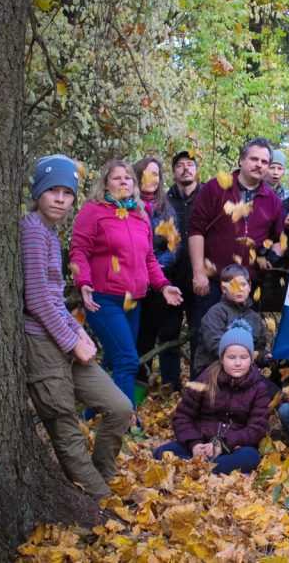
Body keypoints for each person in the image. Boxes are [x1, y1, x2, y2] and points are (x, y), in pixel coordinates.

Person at [22, 155, 132, 499]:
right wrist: (73, 342)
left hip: (63, 337)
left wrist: (78, 330)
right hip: (41, 344)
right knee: (65, 426)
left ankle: (104, 477)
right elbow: (37, 300)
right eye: (52, 190)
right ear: (38, 192)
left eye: (67, 193)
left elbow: (52, 296)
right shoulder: (31, 230)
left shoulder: (49, 234)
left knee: (120, 407)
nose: (60, 198)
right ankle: (100, 501)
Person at [70, 159, 183, 414]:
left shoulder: (140, 214)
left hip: (133, 301)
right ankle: (125, 422)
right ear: (106, 183)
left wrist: (163, 286)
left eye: (128, 178)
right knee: (127, 360)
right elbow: (79, 251)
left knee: (114, 360)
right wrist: (83, 283)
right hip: (103, 298)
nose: (123, 181)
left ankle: (91, 417)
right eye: (117, 178)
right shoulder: (94, 210)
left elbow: (149, 258)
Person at [154, 319, 274, 475]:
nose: (237, 363)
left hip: (232, 447)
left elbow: (256, 429)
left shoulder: (258, 387)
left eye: (243, 358)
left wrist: (222, 444)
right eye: (231, 357)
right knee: (162, 452)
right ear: (222, 358)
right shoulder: (206, 379)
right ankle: (205, 467)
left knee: (250, 457)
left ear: (251, 359)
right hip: (200, 442)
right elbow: (182, 416)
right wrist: (195, 444)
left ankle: (202, 468)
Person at [188, 138, 285, 318]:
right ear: (241, 160)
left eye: (264, 162)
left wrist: (274, 254)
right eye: (254, 159)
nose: (259, 165)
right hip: (214, 283)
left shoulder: (272, 200)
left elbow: (279, 238)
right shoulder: (216, 187)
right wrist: (198, 273)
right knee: (207, 339)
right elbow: (196, 229)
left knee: (243, 340)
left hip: (248, 286)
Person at [156, 150, 204, 390]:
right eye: (180, 165)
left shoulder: (207, 196)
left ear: (196, 169)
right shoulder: (164, 201)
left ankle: (197, 385)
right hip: (169, 280)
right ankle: (169, 386)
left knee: (200, 334)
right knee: (168, 335)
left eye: (190, 164)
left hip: (200, 278)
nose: (186, 168)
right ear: (173, 172)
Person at [132, 157, 178, 386]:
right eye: (146, 173)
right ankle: (109, 398)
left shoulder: (166, 209)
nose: (151, 179)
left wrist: (158, 265)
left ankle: (137, 394)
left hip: (157, 285)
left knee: (147, 341)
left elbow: (174, 245)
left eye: (156, 174)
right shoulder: (125, 205)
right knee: (126, 339)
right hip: (128, 283)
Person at [192, 264, 268, 378]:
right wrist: (242, 357)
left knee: (272, 392)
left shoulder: (255, 318)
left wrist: (266, 357)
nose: (239, 289)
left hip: (244, 370)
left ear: (250, 286)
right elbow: (215, 345)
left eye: (243, 284)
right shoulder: (215, 313)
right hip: (212, 369)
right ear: (223, 288)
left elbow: (259, 349)